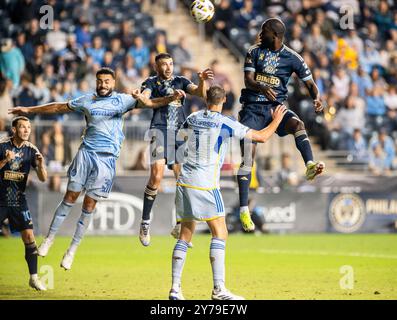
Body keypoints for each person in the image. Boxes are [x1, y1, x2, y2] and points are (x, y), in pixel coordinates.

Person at [9, 67, 184, 270]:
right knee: (70, 197)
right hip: (85, 154)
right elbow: (58, 108)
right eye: (100, 81)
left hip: (106, 160)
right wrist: (29, 111)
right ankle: (49, 239)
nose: (103, 84)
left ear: (113, 82)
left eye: (107, 81)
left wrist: (171, 98)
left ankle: (72, 251)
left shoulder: (123, 100)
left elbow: (151, 103)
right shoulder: (86, 100)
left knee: (89, 206)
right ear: (96, 81)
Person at [169, 85, 287, 300]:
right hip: (206, 185)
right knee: (220, 233)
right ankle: (219, 289)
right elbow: (260, 137)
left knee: (185, 234)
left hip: (185, 182)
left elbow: (176, 143)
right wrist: (277, 119)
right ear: (223, 100)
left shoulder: (193, 117)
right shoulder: (225, 122)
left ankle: (175, 289)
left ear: (206, 100)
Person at [237, 18, 325, 232]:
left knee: (297, 124)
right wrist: (260, 87)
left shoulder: (293, 57)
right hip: (252, 109)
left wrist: (316, 98)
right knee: (248, 156)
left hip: (275, 107)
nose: (260, 33)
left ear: (275, 35)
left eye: (264, 30)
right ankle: (243, 210)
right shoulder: (254, 51)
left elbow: (310, 83)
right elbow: (248, 79)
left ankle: (310, 165)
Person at [137, 53, 214, 247]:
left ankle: (180, 224)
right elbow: (145, 101)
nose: (168, 67)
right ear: (157, 67)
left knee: (183, 179)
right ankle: (145, 222)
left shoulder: (181, 80)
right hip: (159, 131)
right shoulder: (151, 83)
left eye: (170, 63)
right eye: (164, 65)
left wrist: (202, 81)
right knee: (156, 176)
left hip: (180, 133)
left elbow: (200, 93)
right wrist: (141, 97)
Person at [0, 116, 48, 290]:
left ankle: (34, 278)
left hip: (19, 201)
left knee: (29, 237)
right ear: (14, 129)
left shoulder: (31, 150)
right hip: (1, 200)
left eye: (28, 127)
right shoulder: (2, 145)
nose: (27, 130)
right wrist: (5, 160)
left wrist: (41, 166)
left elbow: (43, 179)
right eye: (22, 127)